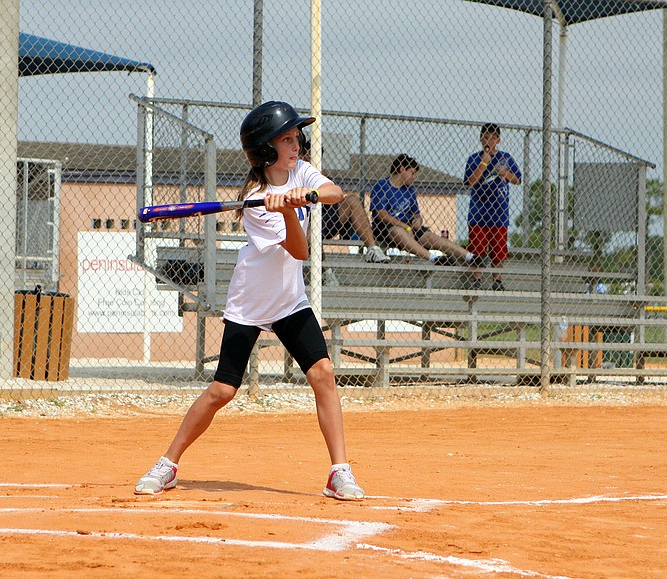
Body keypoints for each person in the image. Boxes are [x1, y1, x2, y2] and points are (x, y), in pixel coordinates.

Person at [135, 101, 365, 501]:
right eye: (287, 140)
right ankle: (168, 463)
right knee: (223, 390)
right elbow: (299, 251)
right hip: (251, 301)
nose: (296, 146)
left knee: (323, 374)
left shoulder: (300, 172)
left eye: (297, 139)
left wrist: (304, 194)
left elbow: (335, 192)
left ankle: (338, 472)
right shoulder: (255, 201)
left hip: (290, 300)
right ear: (264, 149)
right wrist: (290, 212)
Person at [370, 154, 486, 273]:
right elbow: (382, 215)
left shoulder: (409, 190)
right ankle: (433, 258)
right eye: (412, 173)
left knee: (430, 236)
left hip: (408, 226)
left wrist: (417, 221)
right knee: (398, 231)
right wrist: (406, 227)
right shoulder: (382, 186)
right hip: (385, 226)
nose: (414, 177)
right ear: (402, 169)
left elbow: (416, 214)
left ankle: (470, 257)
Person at [299, 135, 390, 264]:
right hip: (303, 222)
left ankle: (372, 249)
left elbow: (335, 197)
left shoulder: (320, 176)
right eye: (307, 156)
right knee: (309, 231)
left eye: (315, 157)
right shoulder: (294, 173)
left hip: (325, 220)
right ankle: (326, 273)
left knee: (352, 200)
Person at [464, 123, 522, 290]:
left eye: (492, 138)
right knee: (477, 249)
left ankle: (497, 279)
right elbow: (471, 181)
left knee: (498, 251)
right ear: (481, 138)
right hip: (478, 212)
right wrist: (483, 163)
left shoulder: (506, 158)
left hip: (499, 212)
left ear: (498, 140)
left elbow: (517, 179)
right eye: (486, 137)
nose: (489, 141)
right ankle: (477, 279)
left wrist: (505, 173)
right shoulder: (474, 159)